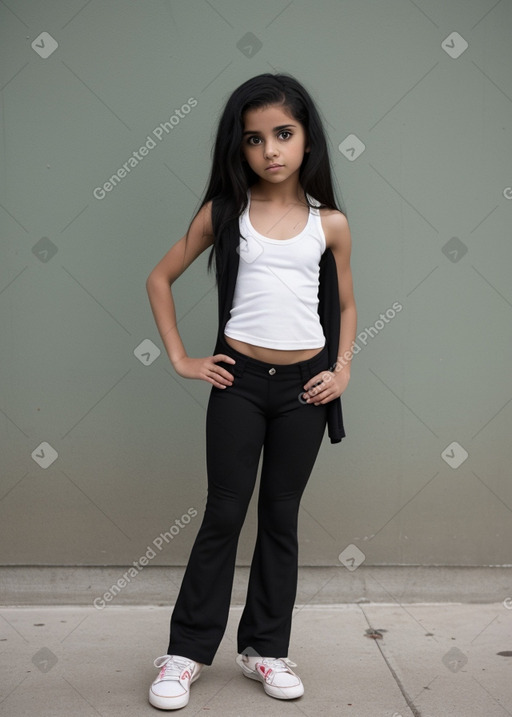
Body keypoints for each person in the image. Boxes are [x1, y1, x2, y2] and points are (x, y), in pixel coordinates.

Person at [145, 72, 357, 710]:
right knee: (224, 514)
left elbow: (347, 305)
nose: (270, 150)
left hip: (303, 393)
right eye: (254, 139)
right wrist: (181, 358)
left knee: (280, 518)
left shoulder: (332, 224)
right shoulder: (223, 214)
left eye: (283, 134)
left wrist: (341, 369)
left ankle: (265, 649)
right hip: (238, 383)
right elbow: (159, 278)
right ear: (238, 149)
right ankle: (184, 653)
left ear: (307, 140)